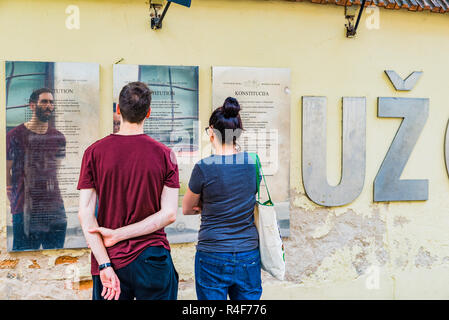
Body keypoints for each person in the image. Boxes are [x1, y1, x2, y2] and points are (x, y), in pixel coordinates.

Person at [77, 81, 179, 300]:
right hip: (153, 258)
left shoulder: (93, 153)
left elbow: (85, 214)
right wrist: (120, 234)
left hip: (110, 259)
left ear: (118, 110)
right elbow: (169, 213)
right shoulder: (165, 154)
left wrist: (104, 264)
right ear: (148, 112)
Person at [182, 97, 262, 300]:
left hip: (212, 253)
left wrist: (204, 205)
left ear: (211, 131)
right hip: (248, 252)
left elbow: (187, 208)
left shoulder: (203, 167)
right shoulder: (253, 163)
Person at [6, 88, 67, 251]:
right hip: (25, 209)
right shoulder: (14, 135)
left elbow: (56, 171)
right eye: (44, 101)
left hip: (54, 210)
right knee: (24, 260)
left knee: (57, 258)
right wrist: (13, 198)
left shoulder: (59, 138)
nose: (49, 106)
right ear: (32, 105)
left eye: (51, 102)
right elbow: (6, 171)